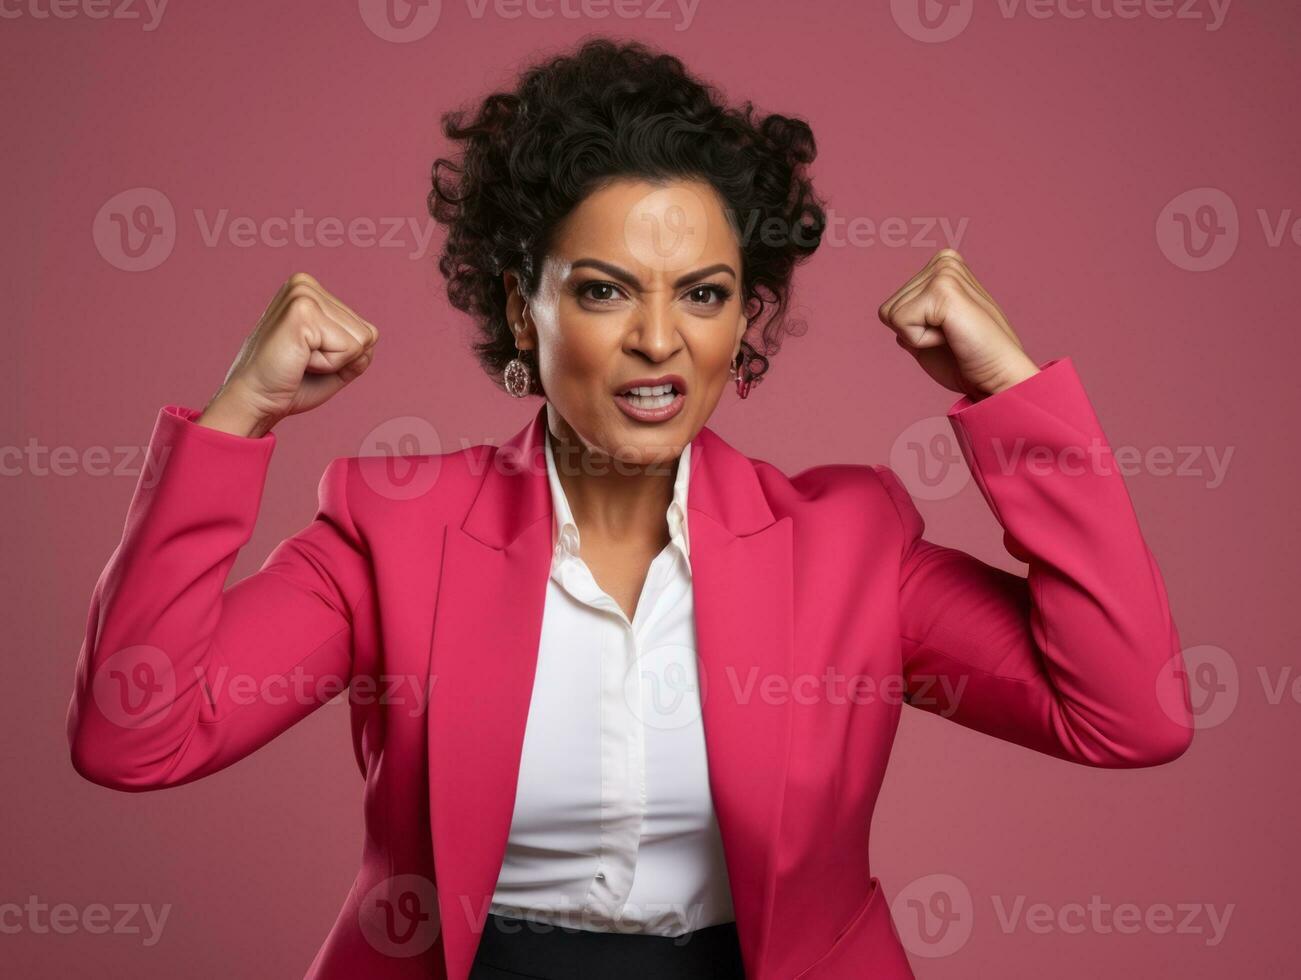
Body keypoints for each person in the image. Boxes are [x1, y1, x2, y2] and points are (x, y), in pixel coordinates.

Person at [65, 37, 1193, 980]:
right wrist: (239, 415)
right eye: (604, 290)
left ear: (741, 318)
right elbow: (136, 734)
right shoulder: (394, 528)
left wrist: (1011, 395)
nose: (659, 339)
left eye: (702, 294)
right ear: (522, 307)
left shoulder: (849, 543)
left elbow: (1125, 714)